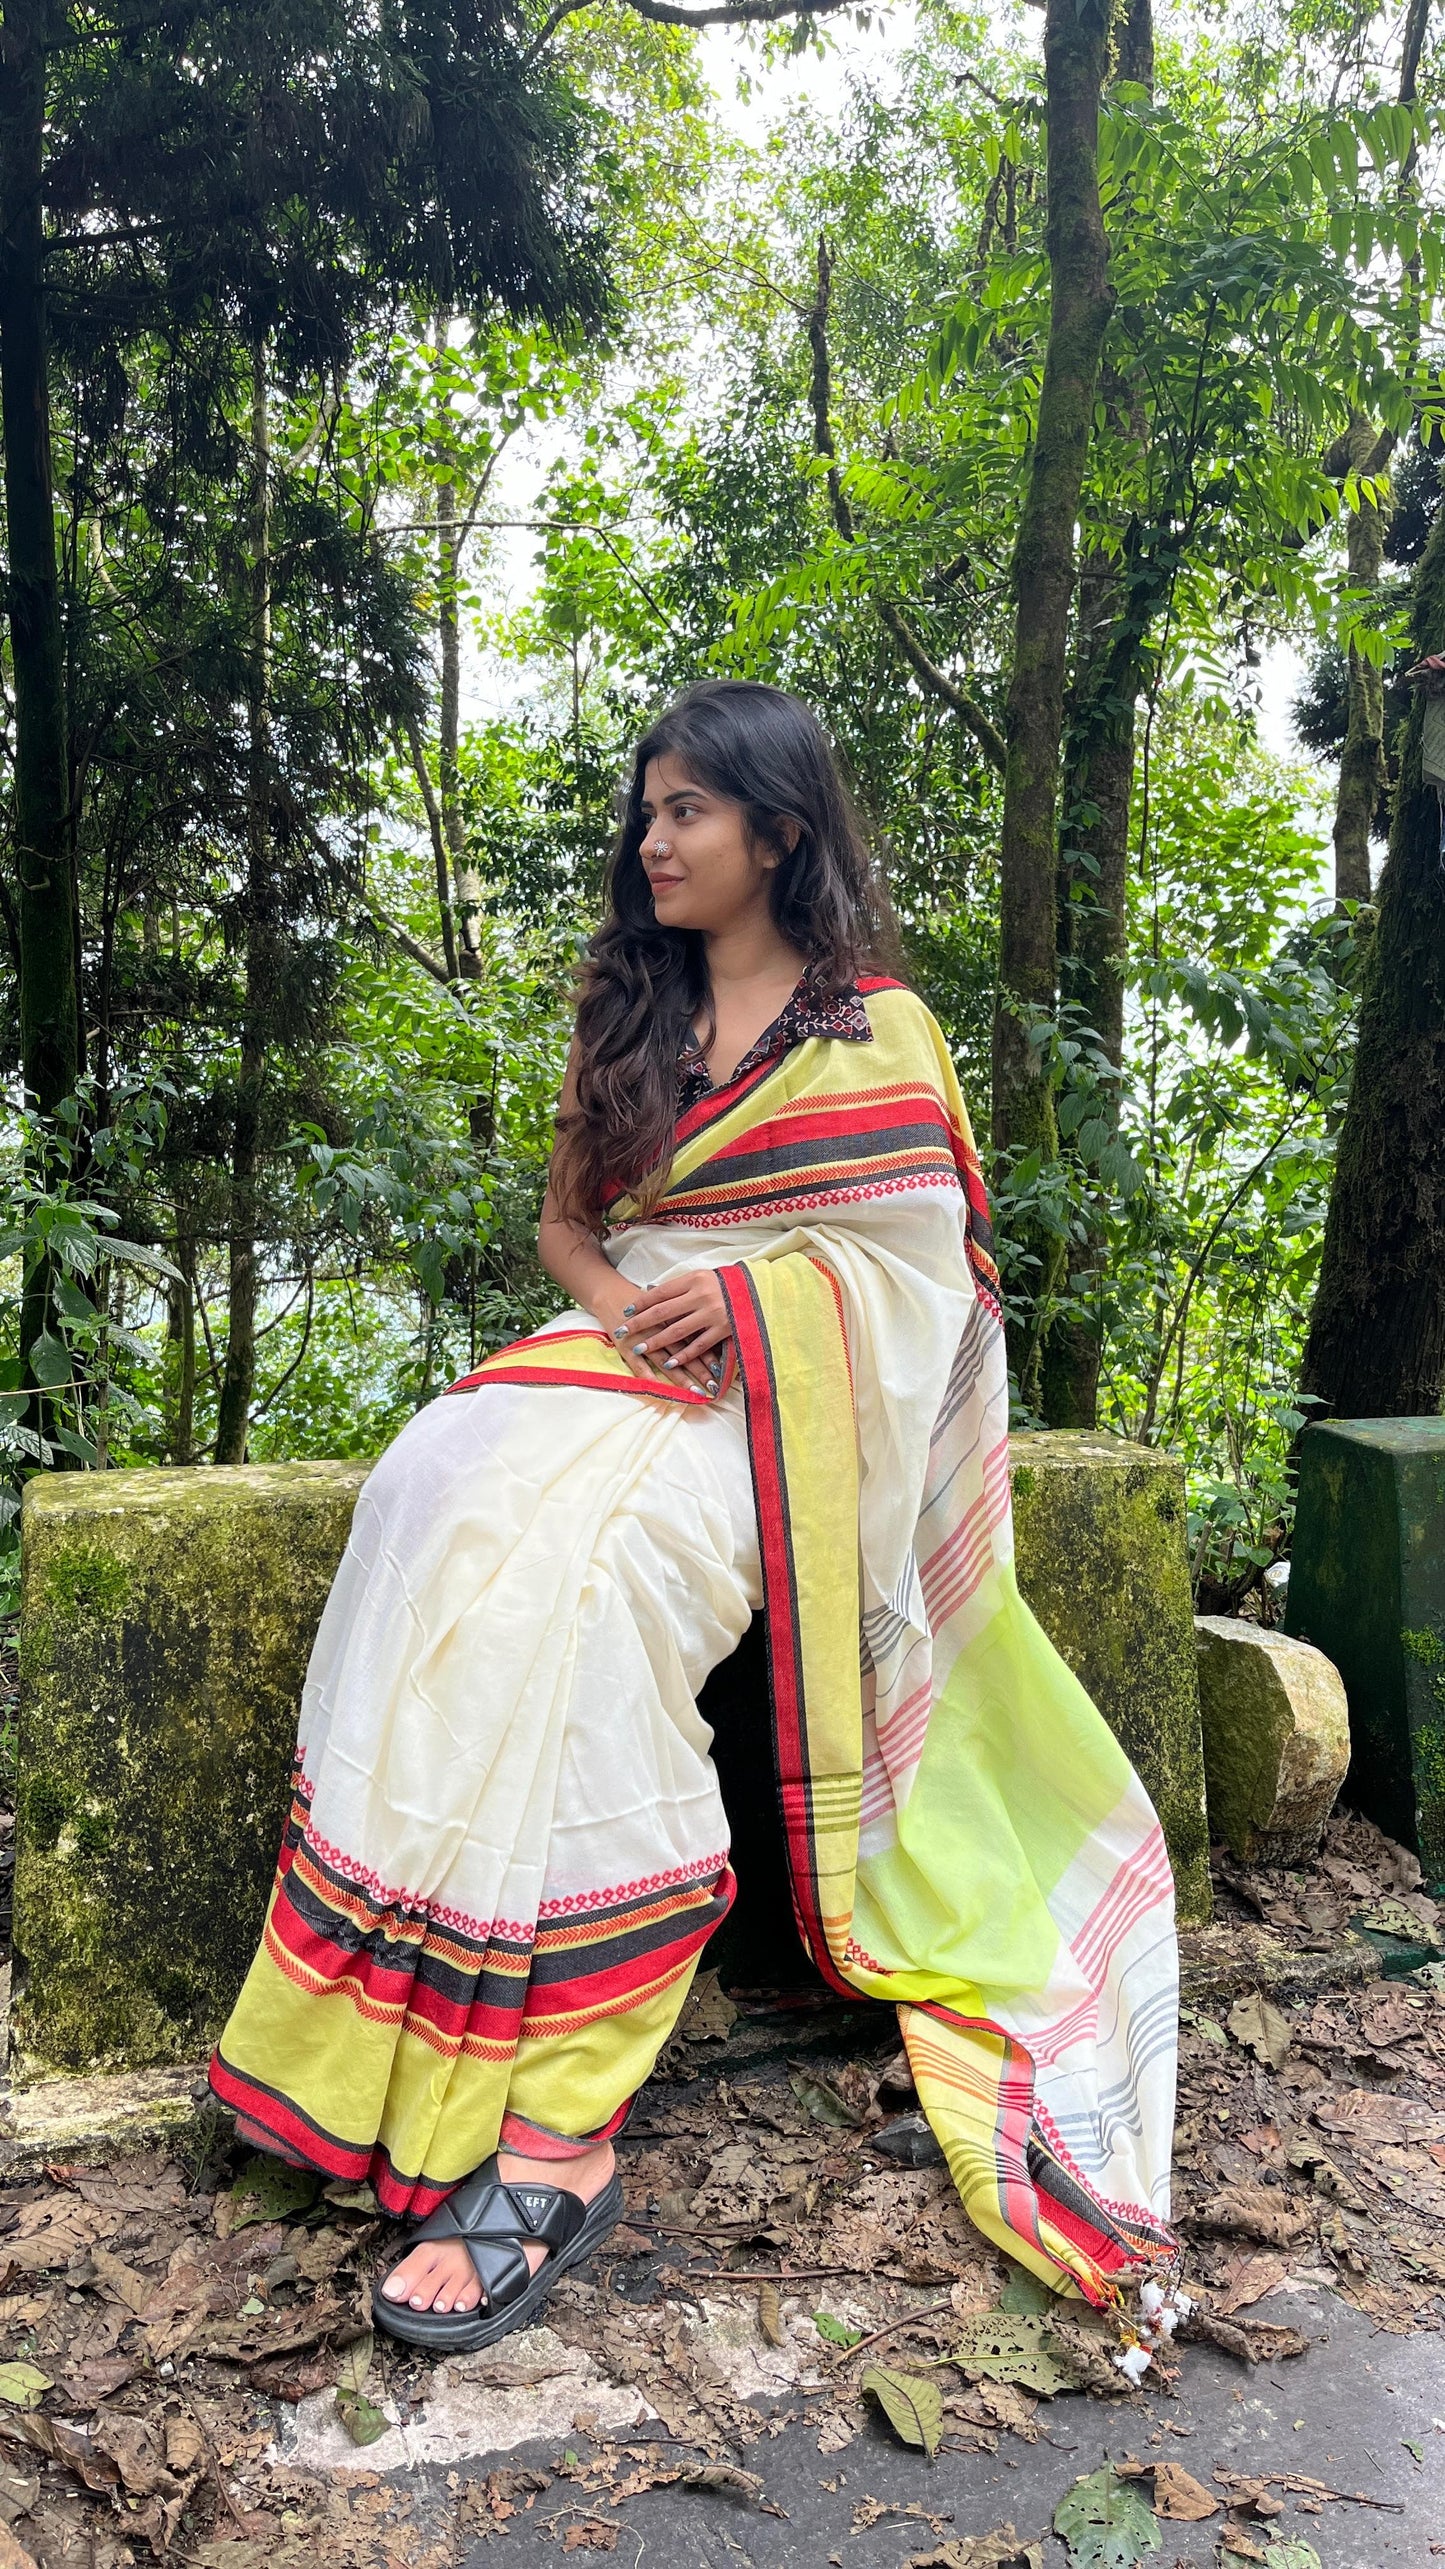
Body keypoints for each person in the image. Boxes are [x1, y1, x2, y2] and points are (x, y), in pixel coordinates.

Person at [210, 679, 1181, 2364]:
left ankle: (558, 2124)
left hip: (796, 1407)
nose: (651, 841)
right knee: (430, 1495)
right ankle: (376, 2022)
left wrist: (754, 1312)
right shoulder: (630, 1006)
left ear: (777, 832)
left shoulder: (876, 1027)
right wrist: (629, 1313)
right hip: (619, 1353)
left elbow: (926, 1284)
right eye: (646, 811)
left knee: (597, 1585)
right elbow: (571, 1233)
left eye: (686, 813)